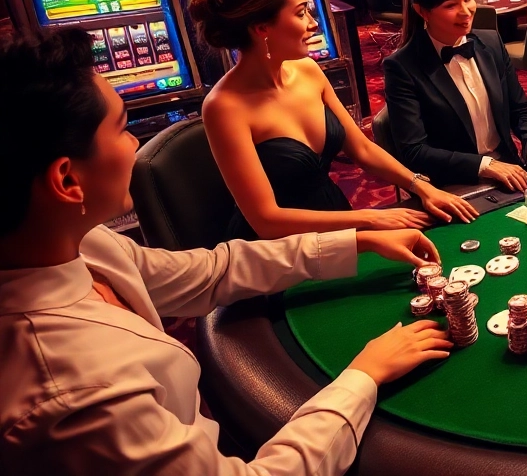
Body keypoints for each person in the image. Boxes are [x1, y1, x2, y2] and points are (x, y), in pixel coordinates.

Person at [0, 28, 453, 475]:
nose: (135, 145)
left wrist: (358, 239)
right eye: (121, 129)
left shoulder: (82, 242)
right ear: (67, 181)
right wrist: (362, 377)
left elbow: (212, 271)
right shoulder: (73, 397)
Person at [188, 0, 477, 240]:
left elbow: (361, 149)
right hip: (278, 251)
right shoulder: (223, 107)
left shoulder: (308, 70)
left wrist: (422, 187)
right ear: (262, 28)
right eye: (301, 13)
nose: (314, 23)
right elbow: (267, 220)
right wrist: (371, 217)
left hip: (335, 218)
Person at [382, 0, 527, 191]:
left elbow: (520, 111)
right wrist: (485, 166)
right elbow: (414, 151)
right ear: (422, 11)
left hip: (511, 171)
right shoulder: (402, 67)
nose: (466, 11)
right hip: (454, 185)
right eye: (450, 5)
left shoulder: (492, 42)